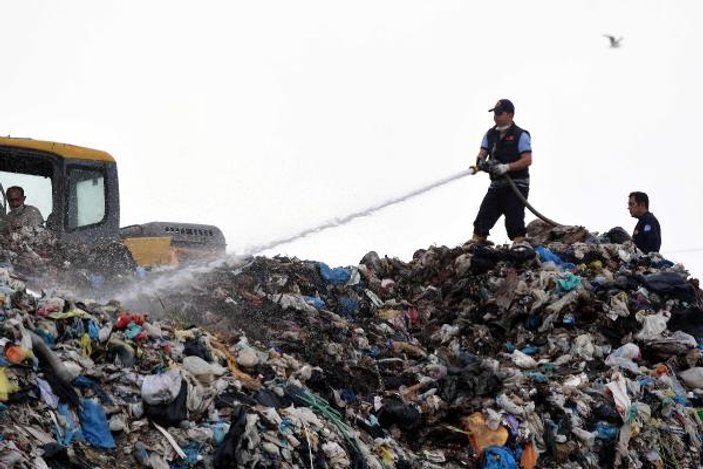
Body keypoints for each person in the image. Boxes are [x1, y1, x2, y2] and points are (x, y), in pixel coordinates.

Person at [471, 99, 532, 243]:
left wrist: (506, 167)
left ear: (510, 115)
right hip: (497, 185)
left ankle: (520, 247)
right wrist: (481, 162)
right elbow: (482, 152)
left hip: (516, 185)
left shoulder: (520, 135)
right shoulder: (490, 134)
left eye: (499, 113)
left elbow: (527, 159)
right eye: (494, 113)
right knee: (483, 218)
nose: (495, 116)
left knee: (514, 221)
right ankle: (476, 244)